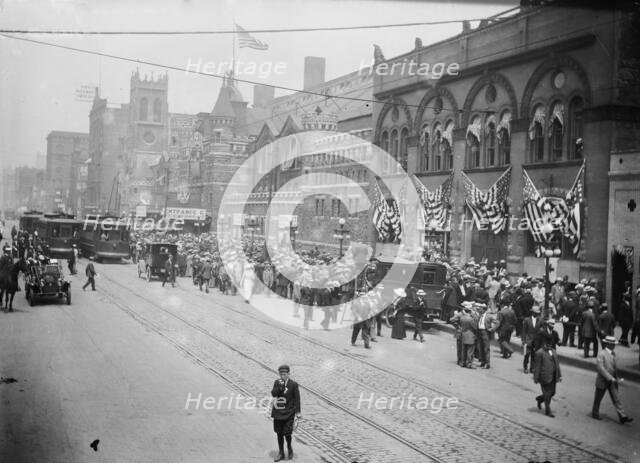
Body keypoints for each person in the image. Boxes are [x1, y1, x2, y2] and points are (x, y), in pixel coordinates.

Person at [591, 336, 633, 424]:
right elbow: (600, 368)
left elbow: (614, 368)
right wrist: (610, 378)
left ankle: (622, 416)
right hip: (603, 380)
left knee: (616, 398)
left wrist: (615, 378)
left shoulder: (613, 353)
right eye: (612, 344)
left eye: (614, 344)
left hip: (612, 381)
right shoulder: (601, 354)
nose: (614, 345)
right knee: (598, 398)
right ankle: (595, 413)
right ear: (608, 344)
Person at [270, 365, 301, 462]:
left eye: (285, 374)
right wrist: (280, 387)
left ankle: (289, 448)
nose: (282, 376)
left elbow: (297, 399)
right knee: (279, 434)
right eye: (281, 374)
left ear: (288, 374)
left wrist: (298, 412)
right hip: (278, 412)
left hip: (289, 413)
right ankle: (281, 453)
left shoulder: (293, 384)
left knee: (287, 434)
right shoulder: (277, 382)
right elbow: (273, 394)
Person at [533, 339, 562, 418]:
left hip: (553, 376)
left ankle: (540, 399)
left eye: (550, 344)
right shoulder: (539, 353)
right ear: (544, 344)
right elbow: (537, 366)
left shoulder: (553, 351)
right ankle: (548, 411)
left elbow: (557, 364)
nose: (549, 345)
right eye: (547, 344)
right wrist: (536, 377)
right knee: (547, 394)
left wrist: (559, 375)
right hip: (544, 376)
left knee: (552, 393)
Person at [476, 303, 497, 368]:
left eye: (481, 309)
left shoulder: (489, 316)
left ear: (484, 310)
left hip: (485, 332)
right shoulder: (480, 315)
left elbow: (497, 322)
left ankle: (487, 363)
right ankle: (482, 362)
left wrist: (492, 329)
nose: (479, 309)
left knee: (486, 348)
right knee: (480, 348)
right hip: (479, 332)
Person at [522, 305, 541, 374]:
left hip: (536, 341)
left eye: (537, 313)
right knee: (527, 354)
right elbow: (524, 331)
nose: (537, 314)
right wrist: (523, 340)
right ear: (532, 312)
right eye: (535, 312)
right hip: (528, 340)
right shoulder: (527, 320)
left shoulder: (540, 320)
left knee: (534, 355)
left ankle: (532, 368)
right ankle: (525, 367)